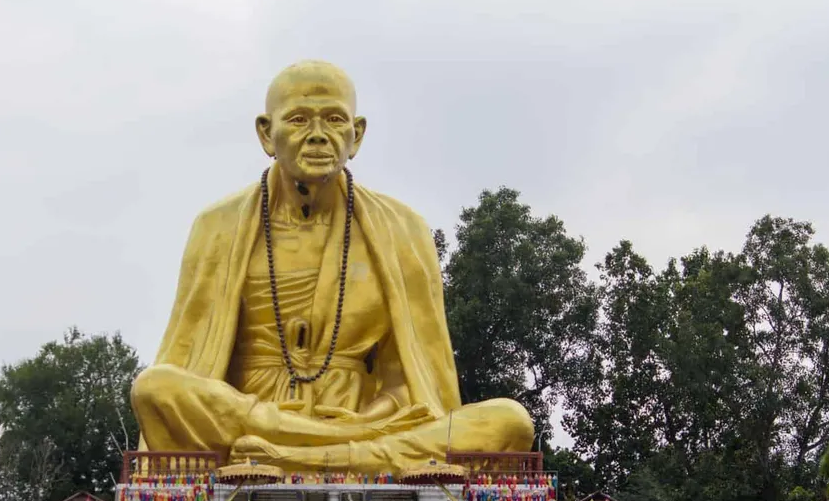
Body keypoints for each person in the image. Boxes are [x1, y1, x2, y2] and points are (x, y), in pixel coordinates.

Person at [131, 60, 534, 473]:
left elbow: (412, 383)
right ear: (266, 134)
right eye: (300, 119)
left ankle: (299, 457)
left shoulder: (404, 231)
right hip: (252, 420)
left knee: (509, 422)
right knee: (156, 387)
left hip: (361, 423)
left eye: (335, 119)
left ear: (356, 135)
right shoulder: (217, 227)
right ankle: (344, 455)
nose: (319, 135)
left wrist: (377, 413)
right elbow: (187, 362)